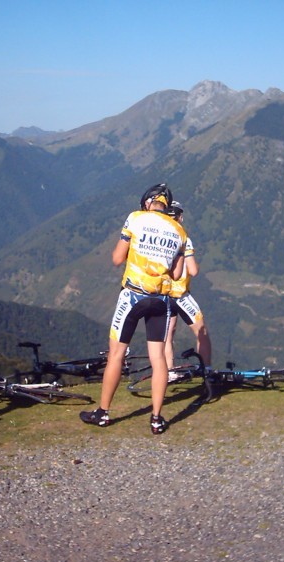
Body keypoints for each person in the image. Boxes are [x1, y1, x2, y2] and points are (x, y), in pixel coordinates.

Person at [80, 183, 186, 434]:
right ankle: (157, 418)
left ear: (148, 203)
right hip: (161, 300)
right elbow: (177, 273)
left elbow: (117, 258)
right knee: (158, 358)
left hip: (133, 296)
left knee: (116, 354)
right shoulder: (180, 231)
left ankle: (103, 413)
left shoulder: (135, 218)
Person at [164, 201, 212, 374]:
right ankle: (206, 369)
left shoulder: (161, 238)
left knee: (167, 337)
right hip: (181, 295)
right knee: (202, 332)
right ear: (180, 217)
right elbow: (193, 270)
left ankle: (169, 373)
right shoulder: (184, 238)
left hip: (162, 296)